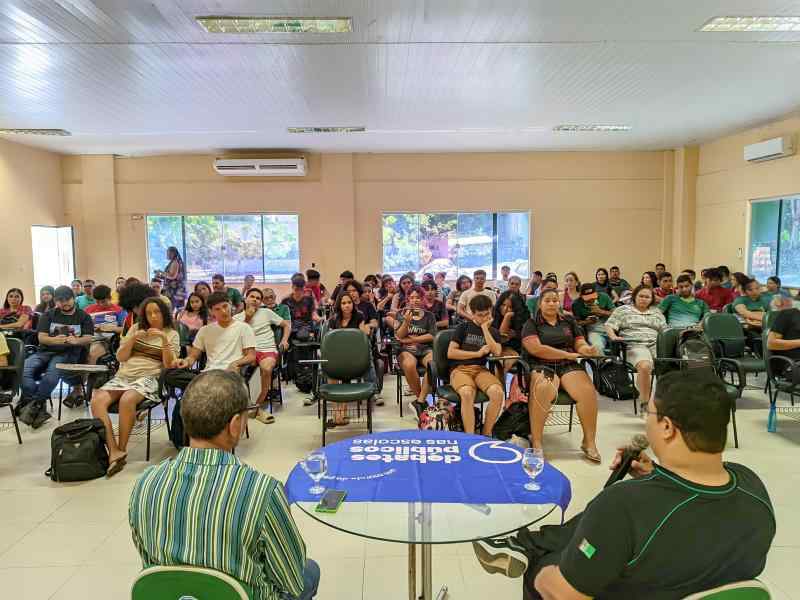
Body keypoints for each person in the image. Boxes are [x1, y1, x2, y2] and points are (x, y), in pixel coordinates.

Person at [474, 370, 774, 600]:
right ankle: (528, 542)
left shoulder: (624, 504)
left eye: (650, 412)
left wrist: (536, 571)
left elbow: (566, 593)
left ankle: (528, 551)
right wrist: (653, 475)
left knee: (547, 565)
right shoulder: (752, 485)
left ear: (667, 427)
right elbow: (689, 518)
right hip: (684, 583)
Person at [129, 370, 320, 600]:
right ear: (235, 424)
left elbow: (150, 564)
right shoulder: (261, 491)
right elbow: (292, 580)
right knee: (309, 571)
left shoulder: (145, 484)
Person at [91, 297, 179, 476]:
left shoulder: (171, 334)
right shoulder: (135, 328)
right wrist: (132, 339)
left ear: (164, 313)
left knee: (127, 399)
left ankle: (122, 448)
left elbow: (169, 365)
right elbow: (121, 358)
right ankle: (113, 448)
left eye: (157, 312)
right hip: (125, 375)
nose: (153, 316)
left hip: (150, 377)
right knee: (97, 400)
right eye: (148, 313)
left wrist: (163, 339)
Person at [522, 289, 601, 462]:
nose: (551, 304)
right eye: (547, 300)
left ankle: (589, 442)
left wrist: (586, 349)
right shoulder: (531, 323)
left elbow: (578, 342)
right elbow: (535, 348)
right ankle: (537, 442)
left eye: (555, 301)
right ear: (540, 303)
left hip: (568, 364)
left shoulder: (568, 321)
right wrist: (565, 354)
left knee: (587, 391)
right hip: (542, 363)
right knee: (543, 389)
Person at [17, 286, 94, 428]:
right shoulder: (49, 315)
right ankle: (38, 404)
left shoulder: (83, 316)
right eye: (60, 300)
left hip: (68, 353)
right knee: (24, 370)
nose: (65, 303)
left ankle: (34, 406)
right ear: (56, 301)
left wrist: (76, 341)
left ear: (74, 298)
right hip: (44, 352)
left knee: (51, 375)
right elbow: (42, 338)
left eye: (68, 299)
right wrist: (55, 340)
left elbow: (89, 338)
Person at [448, 295, 505, 435]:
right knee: (467, 393)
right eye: (480, 315)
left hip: (481, 370)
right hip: (460, 369)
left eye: (487, 314)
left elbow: (497, 352)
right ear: (472, 314)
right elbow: (451, 353)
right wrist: (477, 354)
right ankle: (470, 436)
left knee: (497, 393)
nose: (484, 318)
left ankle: (486, 433)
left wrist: (485, 329)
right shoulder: (463, 327)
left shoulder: (493, 332)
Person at [606, 285, 666, 413]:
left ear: (652, 299)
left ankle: (668, 404)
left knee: (675, 364)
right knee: (645, 366)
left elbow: (665, 331)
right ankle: (645, 404)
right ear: (634, 296)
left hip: (656, 344)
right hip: (634, 344)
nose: (644, 299)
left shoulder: (657, 312)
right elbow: (609, 326)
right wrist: (614, 337)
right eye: (641, 296)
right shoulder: (623, 310)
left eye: (647, 297)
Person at [235, 288, 290, 425]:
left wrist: (284, 340)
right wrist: (248, 317)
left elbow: (286, 325)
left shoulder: (266, 312)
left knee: (266, 369)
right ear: (245, 299)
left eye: (258, 298)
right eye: (252, 297)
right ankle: (243, 405)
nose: (255, 300)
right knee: (235, 371)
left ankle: (256, 407)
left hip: (267, 349)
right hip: (248, 352)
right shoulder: (237, 318)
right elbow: (239, 336)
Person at [174, 292, 256, 373]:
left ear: (230, 304)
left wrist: (236, 363)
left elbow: (251, 356)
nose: (223, 311)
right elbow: (193, 356)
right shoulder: (204, 330)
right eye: (217, 309)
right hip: (209, 372)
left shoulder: (244, 328)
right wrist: (186, 362)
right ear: (211, 311)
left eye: (225, 306)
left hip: (232, 373)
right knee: (170, 374)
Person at [326, 291, 374, 426]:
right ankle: (337, 413)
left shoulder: (359, 316)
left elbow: (363, 334)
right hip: (337, 354)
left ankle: (342, 414)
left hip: (354, 355)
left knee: (345, 375)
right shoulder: (334, 319)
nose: (347, 306)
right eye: (343, 303)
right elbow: (330, 340)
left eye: (349, 303)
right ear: (339, 305)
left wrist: (365, 328)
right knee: (332, 374)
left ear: (353, 304)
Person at [396, 287, 437, 419]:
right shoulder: (401, 313)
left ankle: (419, 402)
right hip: (406, 349)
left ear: (423, 299)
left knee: (432, 364)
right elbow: (399, 336)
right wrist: (406, 322)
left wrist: (413, 338)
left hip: (426, 349)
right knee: (409, 364)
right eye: (412, 297)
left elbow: (432, 335)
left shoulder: (429, 315)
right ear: (408, 299)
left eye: (418, 297)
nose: (415, 300)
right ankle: (422, 401)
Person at [85, 284, 127, 365]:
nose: (100, 304)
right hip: (88, 338)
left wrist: (110, 329)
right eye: (97, 302)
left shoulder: (119, 310)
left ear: (110, 298)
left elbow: (126, 329)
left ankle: (89, 377)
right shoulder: (88, 310)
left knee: (92, 354)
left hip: (108, 340)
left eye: (103, 301)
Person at [571, 283, 614, 355]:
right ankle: (602, 364)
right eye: (588, 298)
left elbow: (616, 314)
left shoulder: (604, 296)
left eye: (593, 297)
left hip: (610, 327)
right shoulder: (576, 304)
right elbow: (576, 323)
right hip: (593, 331)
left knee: (621, 344)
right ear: (581, 296)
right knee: (597, 347)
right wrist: (587, 322)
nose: (591, 299)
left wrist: (601, 312)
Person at [493, 289, 530, 359]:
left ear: (517, 308)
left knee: (507, 358)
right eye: (503, 305)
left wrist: (508, 316)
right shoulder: (495, 314)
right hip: (496, 348)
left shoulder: (523, 316)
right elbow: (501, 337)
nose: (505, 309)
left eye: (510, 307)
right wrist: (507, 317)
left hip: (517, 349)